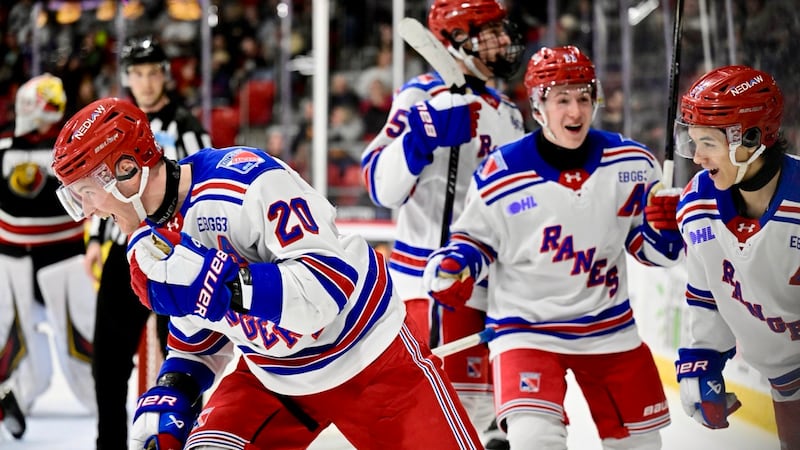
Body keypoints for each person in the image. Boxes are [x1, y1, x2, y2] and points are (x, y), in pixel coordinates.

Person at [51, 97, 484, 449]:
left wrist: (226, 286)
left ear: (127, 170)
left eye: (87, 192)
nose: (87, 210)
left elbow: (328, 287)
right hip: (272, 377)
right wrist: (176, 386)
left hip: (373, 362)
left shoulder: (247, 183)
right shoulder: (153, 236)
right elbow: (201, 330)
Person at [422, 45, 685, 449]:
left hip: (609, 331)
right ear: (538, 107)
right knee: (534, 441)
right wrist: (455, 265)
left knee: (641, 446)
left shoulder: (631, 163)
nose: (575, 112)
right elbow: (474, 241)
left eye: (583, 97)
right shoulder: (501, 172)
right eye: (562, 100)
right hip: (527, 332)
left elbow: (655, 252)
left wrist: (665, 232)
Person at [360, 0, 526, 446]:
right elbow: (380, 185)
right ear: (456, 39)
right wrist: (420, 137)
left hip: (495, 291)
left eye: (502, 31)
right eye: (491, 33)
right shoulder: (421, 96)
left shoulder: (509, 111)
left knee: (495, 424)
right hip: (431, 291)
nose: (506, 41)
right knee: (442, 424)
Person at [82, 36, 211, 449]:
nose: (146, 82)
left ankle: (175, 439)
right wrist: (95, 242)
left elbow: (204, 188)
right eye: (137, 73)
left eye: (153, 72)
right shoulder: (110, 129)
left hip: (175, 253)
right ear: (128, 77)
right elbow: (99, 187)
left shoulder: (188, 128)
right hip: (124, 252)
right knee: (108, 362)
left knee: (181, 360)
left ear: (165, 76)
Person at [672, 65, 799, 449]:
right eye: (693, 142)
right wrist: (703, 358)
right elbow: (707, 290)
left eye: (708, 143)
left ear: (753, 137)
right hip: (788, 383)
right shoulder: (698, 203)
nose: (696, 157)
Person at [0, 74, 96, 439]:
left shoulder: (73, 147)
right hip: (10, 258)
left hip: (65, 256)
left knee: (83, 337)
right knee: (12, 340)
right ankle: (13, 398)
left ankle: (101, 399)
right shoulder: (5, 147)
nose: (51, 113)